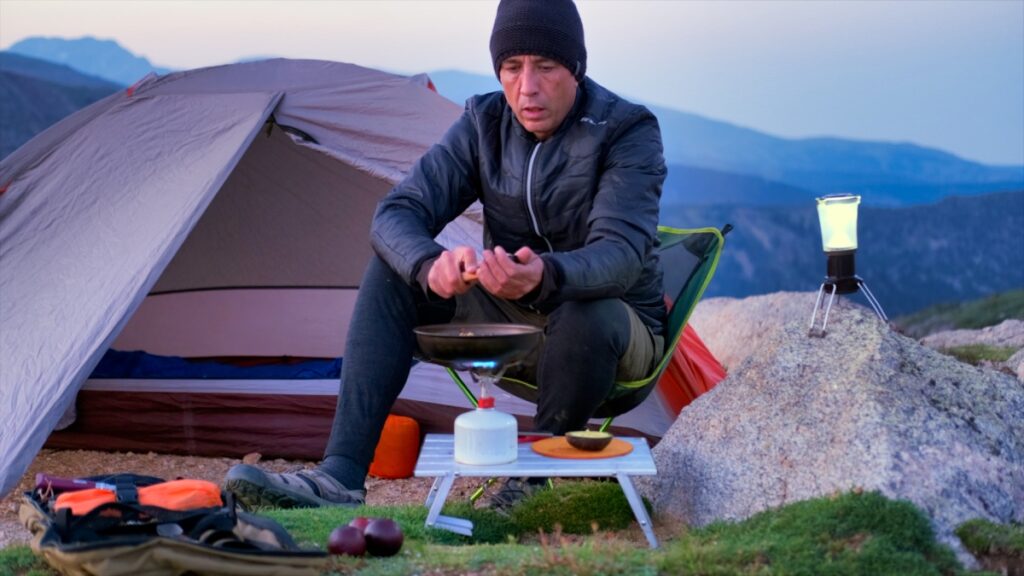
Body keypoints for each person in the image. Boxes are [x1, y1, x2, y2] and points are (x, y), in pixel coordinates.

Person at [225, 0, 667, 511]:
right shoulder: (484, 123)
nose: (527, 87)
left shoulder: (627, 131)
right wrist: (428, 264)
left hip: (614, 332)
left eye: (545, 67)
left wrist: (545, 275)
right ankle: (340, 476)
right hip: (516, 318)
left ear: (576, 68)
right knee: (393, 276)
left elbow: (622, 254)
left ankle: (531, 486)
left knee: (587, 310)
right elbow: (396, 212)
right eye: (511, 67)